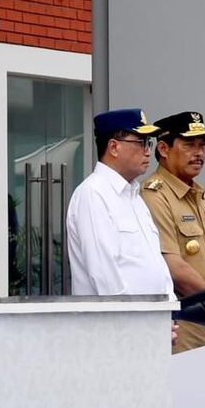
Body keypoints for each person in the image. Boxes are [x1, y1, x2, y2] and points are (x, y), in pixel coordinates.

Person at [142, 111, 205, 351]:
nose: (199, 153)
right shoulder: (155, 196)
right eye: (189, 145)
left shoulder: (202, 197)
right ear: (163, 149)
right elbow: (172, 266)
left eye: (202, 146)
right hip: (186, 328)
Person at [66, 108, 173, 299]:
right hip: (118, 324)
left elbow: (157, 264)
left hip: (152, 321)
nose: (148, 151)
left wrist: (169, 312)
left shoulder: (134, 197)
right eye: (141, 142)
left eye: (149, 143)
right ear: (114, 147)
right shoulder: (93, 193)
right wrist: (131, 321)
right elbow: (103, 275)